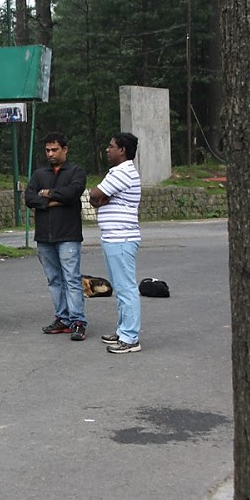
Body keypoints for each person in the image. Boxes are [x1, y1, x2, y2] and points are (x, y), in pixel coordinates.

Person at [25, 132, 88, 341]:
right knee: (53, 279)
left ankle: (78, 320)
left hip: (68, 234)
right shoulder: (39, 173)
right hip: (44, 236)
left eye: (55, 150)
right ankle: (62, 318)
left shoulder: (76, 171)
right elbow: (29, 198)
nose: (50, 154)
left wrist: (47, 195)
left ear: (65, 149)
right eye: (47, 151)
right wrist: (53, 199)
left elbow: (72, 194)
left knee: (71, 278)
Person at [90, 132, 142, 354]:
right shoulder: (117, 172)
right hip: (113, 237)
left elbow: (95, 193)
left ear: (122, 150)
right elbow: (95, 199)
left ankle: (130, 338)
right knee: (120, 288)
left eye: (111, 146)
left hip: (121, 238)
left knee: (126, 288)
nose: (107, 150)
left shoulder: (123, 172)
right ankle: (123, 330)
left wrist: (100, 197)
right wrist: (100, 198)